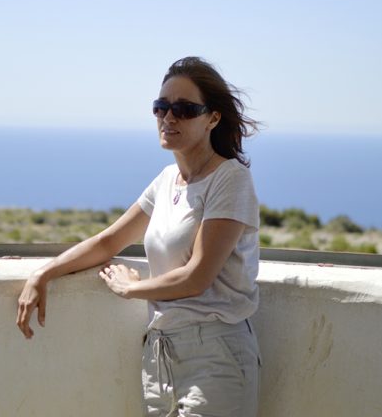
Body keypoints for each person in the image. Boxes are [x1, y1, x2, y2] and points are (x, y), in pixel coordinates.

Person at [16, 56, 261, 417]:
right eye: (161, 107)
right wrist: (43, 274)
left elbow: (197, 276)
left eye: (184, 108)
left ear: (213, 117)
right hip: (159, 357)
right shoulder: (166, 181)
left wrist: (129, 288)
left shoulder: (230, 179)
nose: (169, 117)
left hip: (215, 356)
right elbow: (107, 242)